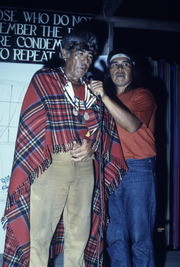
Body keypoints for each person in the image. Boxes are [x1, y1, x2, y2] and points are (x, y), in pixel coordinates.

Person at [1, 31, 127, 267]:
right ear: (65, 54)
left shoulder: (94, 87)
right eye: (79, 54)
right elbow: (34, 125)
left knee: (80, 233)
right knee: (40, 234)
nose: (85, 60)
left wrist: (92, 146)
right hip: (52, 165)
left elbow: (104, 128)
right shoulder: (45, 79)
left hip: (85, 167)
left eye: (89, 56)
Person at [90, 49, 157, 266]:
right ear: (109, 71)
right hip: (110, 170)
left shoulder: (142, 95)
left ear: (132, 69)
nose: (119, 68)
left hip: (137, 168)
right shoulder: (102, 101)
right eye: (114, 64)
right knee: (114, 236)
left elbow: (131, 125)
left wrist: (105, 97)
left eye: (125, 63)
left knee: (140, 236)